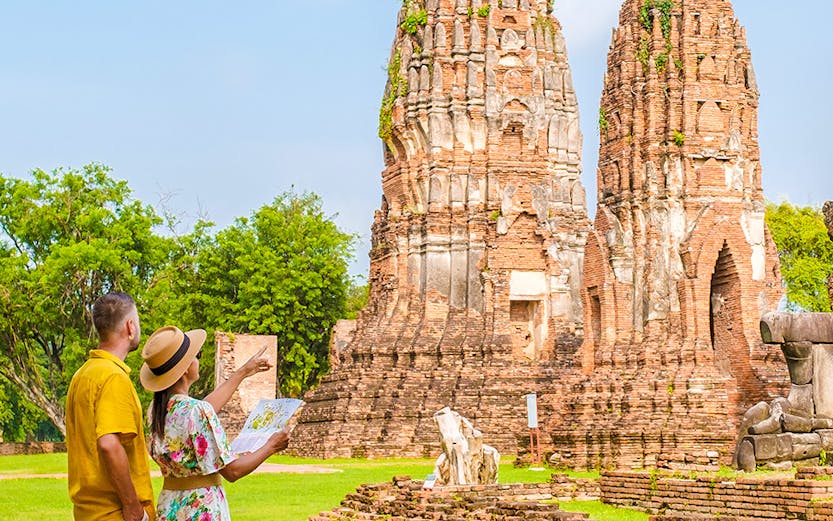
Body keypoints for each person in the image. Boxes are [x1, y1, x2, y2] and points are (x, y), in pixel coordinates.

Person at [139, 325, 290, 520]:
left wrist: (242, 372)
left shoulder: (155, 411)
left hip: (170, 507)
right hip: (200, 508)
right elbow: (233, 472)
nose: (198, 360)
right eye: (197, 355)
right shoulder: (196, 411)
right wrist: (271, 446)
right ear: (185, 369)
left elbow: (200, 412)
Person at [66, 292, 155, 520]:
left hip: (87, 512)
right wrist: (132, 507)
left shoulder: (82, 374)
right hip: (113, 513)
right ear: (130, 327)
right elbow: (108, 444)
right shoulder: (113, 377)